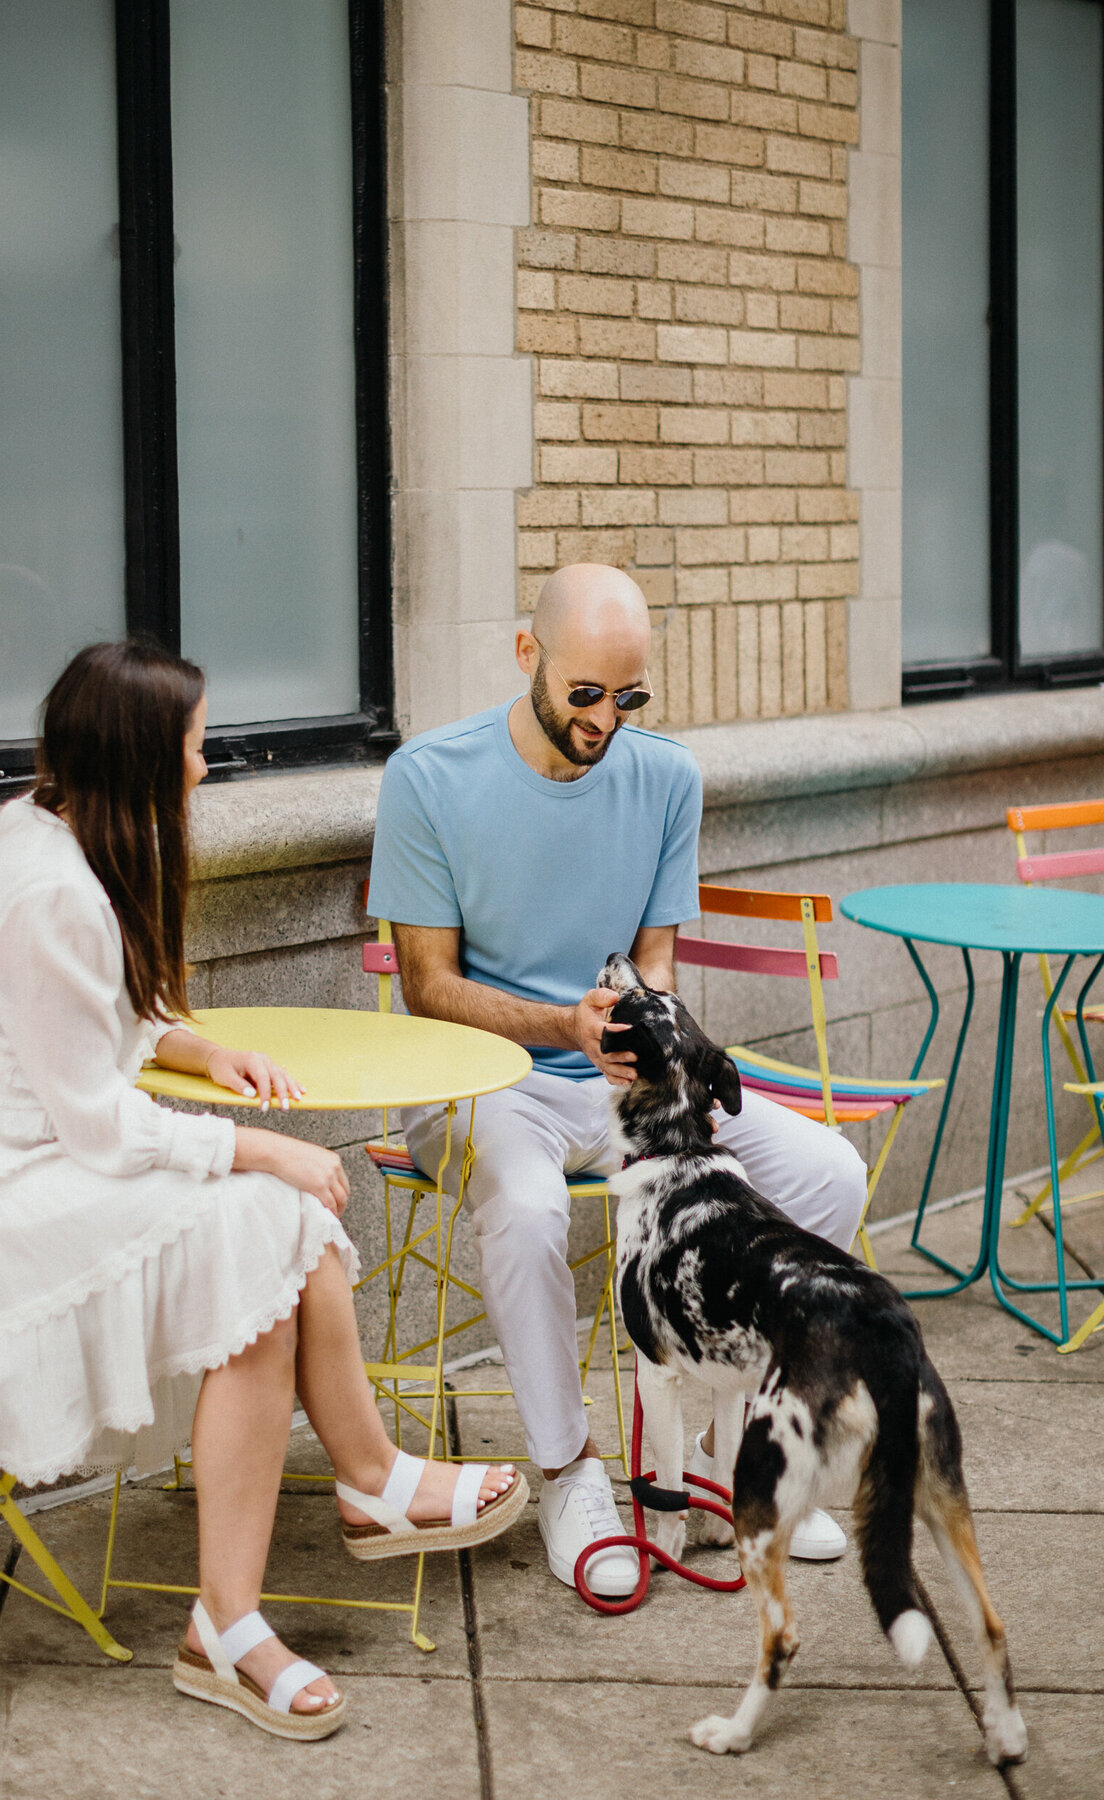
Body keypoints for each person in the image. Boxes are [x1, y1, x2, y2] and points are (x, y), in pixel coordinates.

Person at [0, 639, 525, 1743]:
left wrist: (190, 1048)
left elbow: (97, 1023)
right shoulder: (50, 886)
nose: (205, 766)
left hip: (36, 1149)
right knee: (269, 1210)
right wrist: (257, 1146)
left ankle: (284, 1570)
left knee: (272, 1231)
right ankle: (284, 1571)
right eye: (192, 747)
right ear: (141, 759)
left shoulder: (64, 834)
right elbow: (95, 1121)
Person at [367, 565, 866, 1598]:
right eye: (584, 694)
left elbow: (658, 964)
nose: (605, 720)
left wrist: (647, 1038)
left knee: (828, 1174)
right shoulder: (428, 777)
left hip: (625, 1083)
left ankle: (742, 1459)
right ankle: (568, 1473)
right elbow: (426, 985)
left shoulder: (666, 779)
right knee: (529, 1206)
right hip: (484, 1079)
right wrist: (561, 1023)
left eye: (627, 697)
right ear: (526, 656)